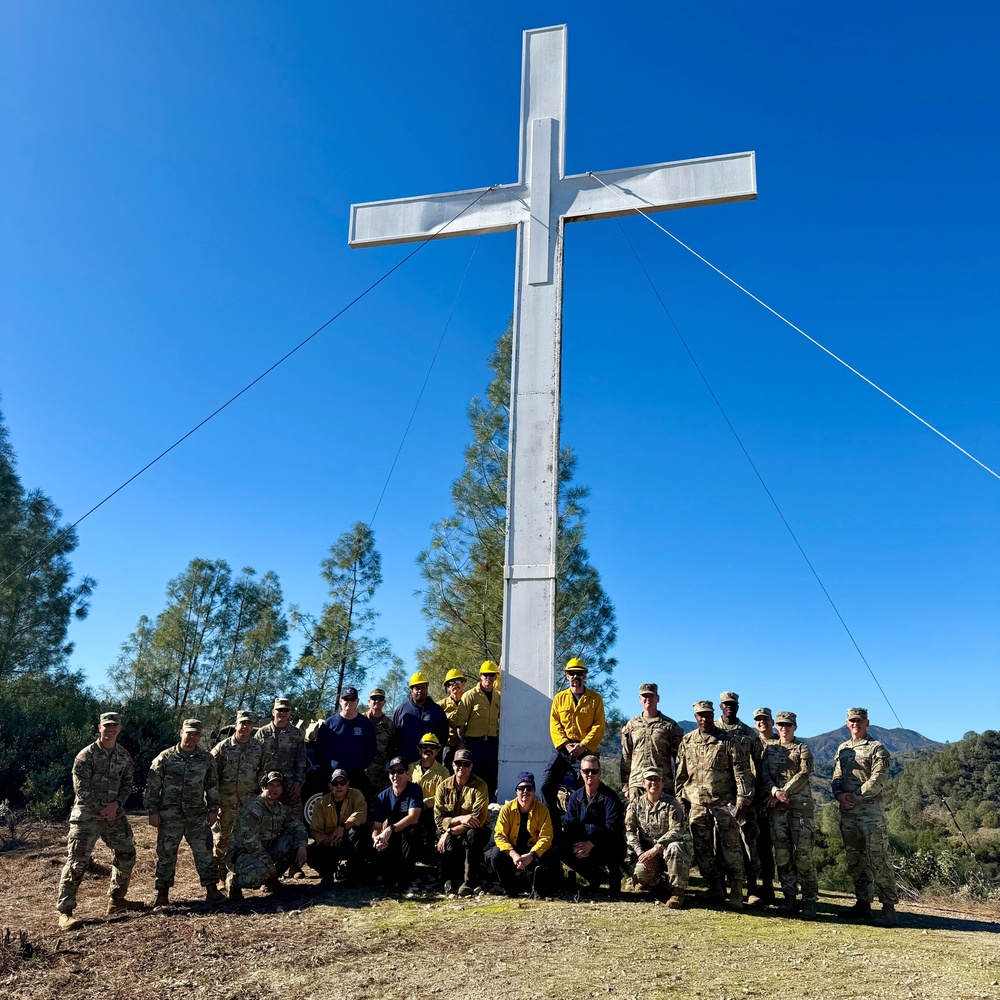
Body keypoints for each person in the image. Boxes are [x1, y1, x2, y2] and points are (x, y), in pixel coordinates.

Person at [56, 711, 145, 929]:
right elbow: (80, 787)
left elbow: (128, 783)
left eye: (114, 726)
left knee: (126, 853)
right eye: (107, 726)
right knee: (77, 861)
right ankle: (65, 912)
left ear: (119, 729)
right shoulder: (86, 755)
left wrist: (116, 805)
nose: (110, 729)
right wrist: (103, 808)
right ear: (99, 728)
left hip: (114, 814)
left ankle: (117, 899)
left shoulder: (124, 756)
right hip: (87, 814)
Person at [675, 700, 753, 910]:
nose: (704, 719)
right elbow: (681, 774)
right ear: (695, 717)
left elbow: (742, 772)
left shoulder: (728, 740)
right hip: (697, 804)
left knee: (731, 848)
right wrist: (680, 798)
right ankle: (715, 887)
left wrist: (743, 800)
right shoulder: (687, 741)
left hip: (724, 803)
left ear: (713, 715)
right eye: (700, 715)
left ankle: (737, 891)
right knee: (702, 849)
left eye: (708, 715)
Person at [144, 719, 227, 908]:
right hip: (169, 815)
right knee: (166, 854)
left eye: (196, 734)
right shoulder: (165, 758)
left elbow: (212, 786)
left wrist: (214, 809)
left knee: (204, 852)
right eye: (189, 733)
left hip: (196, 815)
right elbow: (152, 787)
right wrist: (152, 811)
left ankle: (212, 890)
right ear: (181, 732)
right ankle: (162, 894)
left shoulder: (206, 759)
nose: (192, 737)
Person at [832, 707, 899, 926]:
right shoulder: (843, 749)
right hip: (848, 813)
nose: (855, 724)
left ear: (867, 722)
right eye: (852, 721)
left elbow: (877, 780)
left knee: (878, 860)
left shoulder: (877, 748)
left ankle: (889, 909)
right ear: (847, 723)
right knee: (855, 861)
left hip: (870, 814)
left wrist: (853, 796)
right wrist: (840, 795)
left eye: (859, 721)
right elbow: (837, 776)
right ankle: (863, 904)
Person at [760, 711, 818, 918]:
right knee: (783, 855)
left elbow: (805, 773)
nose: (784, 728)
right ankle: (790, 897)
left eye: (788, 725)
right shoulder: (769, 750)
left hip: (800, 808)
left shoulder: (803, 749)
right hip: (777, 810)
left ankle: (810, 899)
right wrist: (775, 792)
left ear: (795, 727)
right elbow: (764, 774)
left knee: (802, 855)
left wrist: (784, 792)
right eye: (781, 725)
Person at [542, 658, 606, 836]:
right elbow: (554, 722)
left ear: (585, 675)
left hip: (584, 751)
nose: (575, 676)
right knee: (545, 785)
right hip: (562, 749)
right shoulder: (559, 698)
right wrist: (564, 743)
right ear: (566, 675)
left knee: (586, 787)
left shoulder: (595, 699)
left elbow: (599, 725)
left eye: (579, 673)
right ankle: (554, 823)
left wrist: (584, 745)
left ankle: (582, 827)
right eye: (572, 673)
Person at [226, 771, 308, 903]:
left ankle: (271, 882)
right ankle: (234, 882)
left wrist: (302, 846)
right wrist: (269, 864)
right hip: (241, 854)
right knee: (262, 873)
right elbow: (250, 840)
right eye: (270, 785)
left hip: (263, 852)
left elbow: (298, 827)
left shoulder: (280, 809)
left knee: (292, 841)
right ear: (263, 787)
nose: (274, 789)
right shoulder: (254, 807)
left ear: (282, 790)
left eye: (278, 786)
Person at [715, 691, 764, 905]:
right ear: (720, 706)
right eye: (726, 704)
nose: (729, 707)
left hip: (744, 799)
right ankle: (720, 888)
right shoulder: (712, 730)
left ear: (738, 706)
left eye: (732, 704)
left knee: (747, 842)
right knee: (718, 843)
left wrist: (753, 796)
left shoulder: (748, 733)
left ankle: (752, 888)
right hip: (719, 798)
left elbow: (759, 764)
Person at [210, 710, 265, 884]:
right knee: (221, 840)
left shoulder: (259, 748)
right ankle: (219, 877)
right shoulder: (222, 748)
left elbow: (264, 774)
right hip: (226, 803)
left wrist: (261, 799)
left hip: (249, 803)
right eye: (242, 723)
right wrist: (213, 803)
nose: (246, 726)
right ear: (235, 725)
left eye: (249, 723)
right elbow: (211, 778)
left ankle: (241, 874)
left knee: (249, 838)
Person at [624, 767, 690, 907]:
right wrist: (640, 853)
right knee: (640, 874)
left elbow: (677, 829)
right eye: (649, 780)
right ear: (643, 783)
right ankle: (661, 885)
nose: (653, 783)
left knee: (675, 847)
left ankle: (677, 892)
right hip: (646, 852)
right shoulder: (635, 805)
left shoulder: (672, 804)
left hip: (666, 849)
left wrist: (657, 848)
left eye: (657, 779)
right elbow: (630, 832)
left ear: (662, 783)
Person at [560, 755, 625, 896]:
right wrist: (579, 845)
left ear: (600, 772)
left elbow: (612, 827)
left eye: (594, 771)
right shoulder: (575, 797)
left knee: (613, 842)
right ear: (581, 773)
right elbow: (570, 824)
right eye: (586, 771)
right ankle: (595, 877)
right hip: (583, 843)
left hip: (607, 844)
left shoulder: (610, 797)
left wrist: (592, 842)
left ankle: (614, 877)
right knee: (561, 847)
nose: (590, 775)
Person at [489, 771, 556, 897]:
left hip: (532, 850)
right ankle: (510, 890)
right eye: (521, 788)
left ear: (534, 791)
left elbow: (546, 837)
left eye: (529, 788)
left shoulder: (542, 810)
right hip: (512, 849)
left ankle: (538, 888)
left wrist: (532, 855)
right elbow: (499, 835)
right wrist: (514, 855)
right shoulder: (506, 809)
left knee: (550, 855)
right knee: (495, 855)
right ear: (516, 791)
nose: (525, 791)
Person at [433, 748, 490, 895]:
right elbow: (439, 820)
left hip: (476, 829)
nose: (462, 768)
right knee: (441, 838)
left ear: (471, 767)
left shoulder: (480, 786)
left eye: (466, 764)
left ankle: (469, 882)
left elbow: (477, 819)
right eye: (459, 763)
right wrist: (460, 819)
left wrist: (450, 831)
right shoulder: (443, 786)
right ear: (452, 765)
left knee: (473, 835)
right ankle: (448, 879)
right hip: (451, 829)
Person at [620, 682, 684, 799]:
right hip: (637, 783)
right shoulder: (632, 725)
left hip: (662, 783)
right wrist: (625, 786)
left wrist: (679, 788)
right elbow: (626, 756)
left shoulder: (669, 725)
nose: (648, 699)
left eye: (651, 696)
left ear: (657, 698)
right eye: (645, 696)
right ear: (640, 699)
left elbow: (679, 759)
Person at [370, 756, 424, 896]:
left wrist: (390, 829)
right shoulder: (383, 796)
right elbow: (376, 826)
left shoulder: (414, 790)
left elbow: (413, 817)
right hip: (389, 838)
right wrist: (377, 839)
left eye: (400, 771)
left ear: (407, 773)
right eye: (392, 772)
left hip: (407, 834)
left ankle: (406, 878)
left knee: (412, 832)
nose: (396, 776)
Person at [306, 768, 368, 887]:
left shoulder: (356, 795)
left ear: (347, 784)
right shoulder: (322, 803)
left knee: (358, 833)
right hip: (330, 844)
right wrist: (326, 841)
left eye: (342, 783)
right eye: (335, 783)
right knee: (310, 852)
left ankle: (352, 872)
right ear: (330, 786)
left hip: (349, 842)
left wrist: (343, 827)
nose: (339, 786)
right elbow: (315, 829)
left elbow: (361, 814)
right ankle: (328, 873)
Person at [315, 687, 376, 801]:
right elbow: (319, 750)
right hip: (333, 777)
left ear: (357, 701)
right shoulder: (329, 724)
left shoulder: (365, 724)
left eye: (352, 699)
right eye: (346, 699)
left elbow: (371, 750)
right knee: (330, 812)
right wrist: (328, 768)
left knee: (358, 812)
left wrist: (361, 765)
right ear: (340, 701)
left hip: (357, 776)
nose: (349, 702)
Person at [454, 660, 501, 800]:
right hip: (474, 744)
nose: (488, 678)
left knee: (492, 777)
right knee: (473, 777)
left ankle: (488, 810)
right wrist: (462, 743)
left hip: (492, 743)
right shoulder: (470, 695)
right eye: (485, 675)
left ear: (495, 677)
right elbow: (460, 722)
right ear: (480, 676)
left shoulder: (498, 696)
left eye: (492, 675)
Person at [254, 697, 307, 810]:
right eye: (279, 710)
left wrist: (298, 784)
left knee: (293, 822)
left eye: (286, 710)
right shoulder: (262, 733)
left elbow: (301, 761)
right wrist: (259, 783)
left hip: (289, 787)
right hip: (266, 786)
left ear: (290, 714)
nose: (282, 713)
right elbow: (255, 761)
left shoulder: (296, 734)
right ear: (273, 712)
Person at [751, 707, 779, 907]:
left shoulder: (781, 743)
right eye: (758, 720)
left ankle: (770, 885)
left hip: (774, 802)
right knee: (755, 845)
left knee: (772, 847)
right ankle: (756, 886)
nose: (762, 723)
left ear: (772, 722)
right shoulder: (751, 742)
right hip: (753, 801)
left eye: (765, 719)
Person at [391, 672, 450, 766]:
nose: (420, 691)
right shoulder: (401, 710)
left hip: (430, 765)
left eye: (423, 688)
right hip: (406, 764)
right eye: (417, 688)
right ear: (411, 690)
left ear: (427, 689)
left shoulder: (437, 711)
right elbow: (393, 736)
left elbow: (444, 735)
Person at [365, 688, 395, 793]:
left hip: (381, 773)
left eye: (380, 698)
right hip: (361, 771)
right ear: (369, 702)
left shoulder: (390, 724)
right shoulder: (360, 720)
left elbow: (392, 748)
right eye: (374, 698)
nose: (377, 701)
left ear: (384, 702)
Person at [437, 668, 467, 770]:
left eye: (457, 681)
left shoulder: (471, 701)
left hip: (468, 746)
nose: (454, 685)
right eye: (451, 683)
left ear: (463, 683)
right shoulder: (440, 706)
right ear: (447, 687)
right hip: (449, 747)